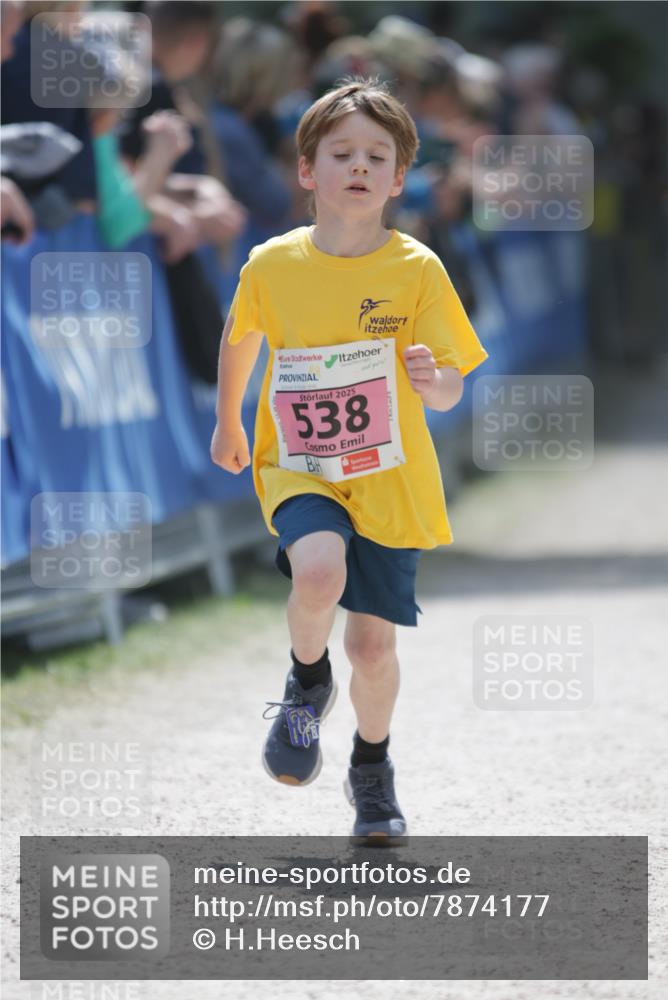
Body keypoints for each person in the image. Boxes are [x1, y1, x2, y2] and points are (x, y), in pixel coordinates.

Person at [210, 78, 488, 844]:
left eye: (378, 156)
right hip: (300, 467)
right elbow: (242, 334)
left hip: (389, 479)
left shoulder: (418, 269)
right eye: (342, 154)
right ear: (308, 171)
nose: (359, 167)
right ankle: (305, 682)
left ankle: (372, 768)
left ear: (400, 178)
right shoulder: (272, 264)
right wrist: (228, 418)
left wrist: (438, 384)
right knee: (318, 573)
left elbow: (452, 386)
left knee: (371, 646)